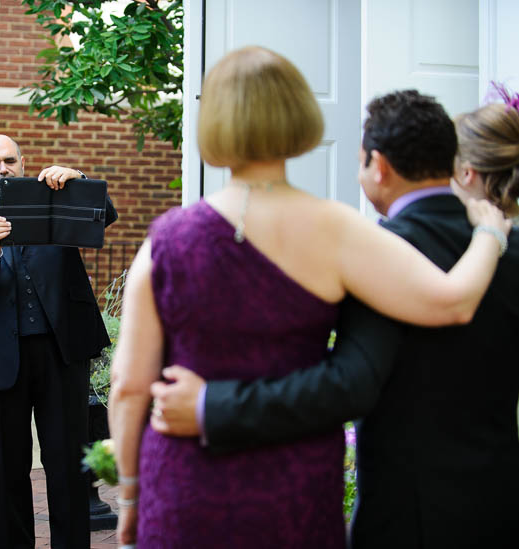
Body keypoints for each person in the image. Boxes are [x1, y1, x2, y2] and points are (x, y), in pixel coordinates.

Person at [107, 48, 511, 549]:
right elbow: (452, 300)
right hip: (294, 485)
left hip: (188, 479)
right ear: (298, 113)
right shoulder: (339, 230)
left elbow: (127, 385)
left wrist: (129, 495)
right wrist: (491, 232)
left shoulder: (166, 238)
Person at [0, 134, 117, 548]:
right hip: (1, 359)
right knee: (7, 468)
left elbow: (105, 215)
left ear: (22, 162)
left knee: (67, 464)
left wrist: (77, 177)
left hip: (60, 353)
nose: (3, 168)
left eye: (9, 160)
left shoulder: (56, 202)